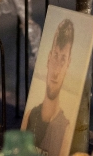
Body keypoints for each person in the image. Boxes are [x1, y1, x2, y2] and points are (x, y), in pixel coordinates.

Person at [25, 18, 75, 156]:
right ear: (48, 58)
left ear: (68, 65)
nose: (56, 70)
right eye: (56, 56)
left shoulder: (66, 130)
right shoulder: (29, 116)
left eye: (63, 59)